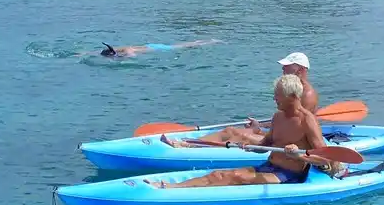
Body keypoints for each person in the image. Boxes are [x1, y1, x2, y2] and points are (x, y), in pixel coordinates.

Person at [149, 74, 342, 188]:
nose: (274, 98)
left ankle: (170, 188)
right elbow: (266, 145)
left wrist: (299, 156)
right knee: (218, 174)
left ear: (292, 96)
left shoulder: (307, 120)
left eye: (278, 95)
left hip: (287, 175)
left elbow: (323, 157)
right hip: (268, 166)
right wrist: (251, 146)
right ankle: (175, 187)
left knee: (232, 176)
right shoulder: (278, 116)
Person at [185, 52, 317, 147]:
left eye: (288, 66)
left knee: (232, 132)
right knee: (231, 130)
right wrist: (260, 127)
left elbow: (294, 127)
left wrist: (259, 128)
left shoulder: (307, 94)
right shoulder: (293, 89)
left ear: (301, 69)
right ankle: (191, 144)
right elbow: (286, 120)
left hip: (288, 142)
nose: (283, 68)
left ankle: (189, 146)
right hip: (277, 134)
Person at [88, 40, 220, 59]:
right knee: (184, 44)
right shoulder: (122, 48)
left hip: (160, 49)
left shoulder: (126, 50)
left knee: (185, 46)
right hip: (153, 46)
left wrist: (122, 59)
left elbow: (131, 56)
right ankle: (209, 41)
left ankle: (210, 41)